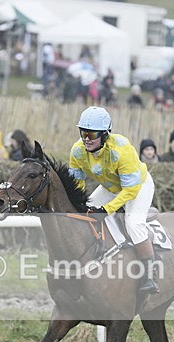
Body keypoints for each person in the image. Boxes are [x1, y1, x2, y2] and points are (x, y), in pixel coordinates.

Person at [69, 106, 159, 296]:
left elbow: (130, 190)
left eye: (91, 134)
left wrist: (107, 209)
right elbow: (77, 185)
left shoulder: (121, 149)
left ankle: (150, 275)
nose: (86, 138)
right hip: (112, 186)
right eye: (83, 133)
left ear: (104, 135)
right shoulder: (77, 151)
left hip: (138, 186)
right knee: (86, 212)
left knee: (133, 224)